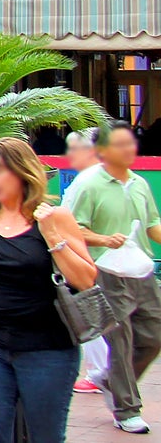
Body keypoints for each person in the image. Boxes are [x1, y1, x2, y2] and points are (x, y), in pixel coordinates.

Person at [0, 137, 98, 443]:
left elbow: (86, 279)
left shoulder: (55, 218)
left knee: (46, 435)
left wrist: (53, 238)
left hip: (47, 349)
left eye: (0, 171)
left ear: (22, 171)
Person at [68, 121, 161, 433]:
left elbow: (152, 226)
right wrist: (103, 239)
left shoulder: (139, 184)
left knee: (154, 336)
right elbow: (72, 229)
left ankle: (111, 380)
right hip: (106, 273)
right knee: (119, 340)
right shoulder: (88, 185)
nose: (129, 150)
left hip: (141, 270)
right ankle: (126, 409)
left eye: (130, 143)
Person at [60, 128, 108, 394]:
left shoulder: (87, 181)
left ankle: (101, 373)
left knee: (89, 315)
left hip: (89, 261)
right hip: (107, 261)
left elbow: (72, 224)